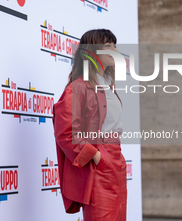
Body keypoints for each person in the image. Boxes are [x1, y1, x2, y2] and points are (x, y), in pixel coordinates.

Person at [52, 29, 127, 221]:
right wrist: (96, 156)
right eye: (108, 46)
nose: (114, 50)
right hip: (100, 166)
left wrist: (113, 158)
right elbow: (66, 132)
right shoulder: (78, 87)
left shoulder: (109, 85)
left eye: (114, 45)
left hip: (116, 162)